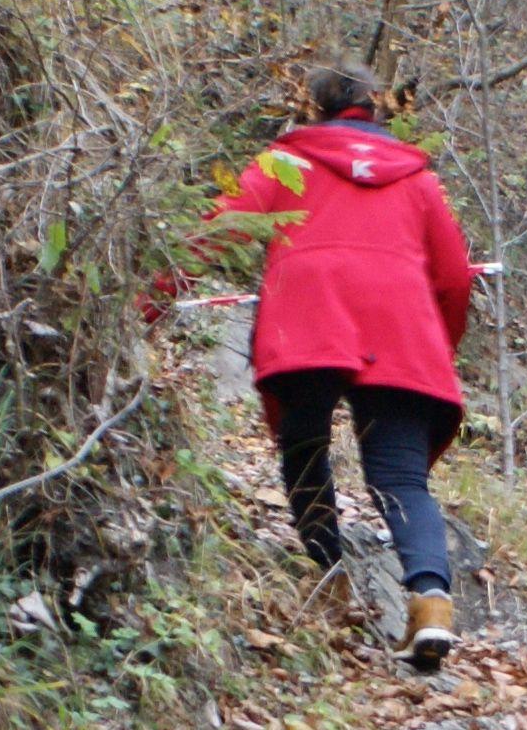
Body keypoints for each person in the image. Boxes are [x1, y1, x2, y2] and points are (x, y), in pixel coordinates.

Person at [201, 67, 474, 673]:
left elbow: (220, 231)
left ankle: (330, 584)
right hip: (401, 329)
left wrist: (150, 296)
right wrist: (438, 345)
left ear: (312, 109)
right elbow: (454, 278)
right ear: (374, 113)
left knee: (304, 450)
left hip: (307, 318)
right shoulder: (419, 180)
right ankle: (430, 604)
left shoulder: (285, 162)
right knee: (402, 480)